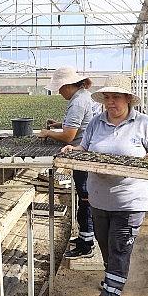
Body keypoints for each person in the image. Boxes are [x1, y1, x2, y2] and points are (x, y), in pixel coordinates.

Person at [60, 74, 148, 296]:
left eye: (115, 97)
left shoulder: (143, 123)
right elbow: (85, 148)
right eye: (107, 97)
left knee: (119, 247)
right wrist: (73, 150)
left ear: (128, 99)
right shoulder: (96, 123)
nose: (110, 102)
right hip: (99, 198)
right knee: (104, 243)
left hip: (131, 199)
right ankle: (113, 278)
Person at [38, 65, 95, 258]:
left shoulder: (78, 102)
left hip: (82, 155)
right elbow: (77, 124)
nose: (59, 92)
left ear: (68, 85)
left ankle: (86, 244)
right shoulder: (83, 96)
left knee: (86, 198)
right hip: (84, 153)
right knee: (84, 196)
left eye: (60, 88)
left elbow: (69, 136)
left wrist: (48, 133)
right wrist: (58, 125)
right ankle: (84, 236)